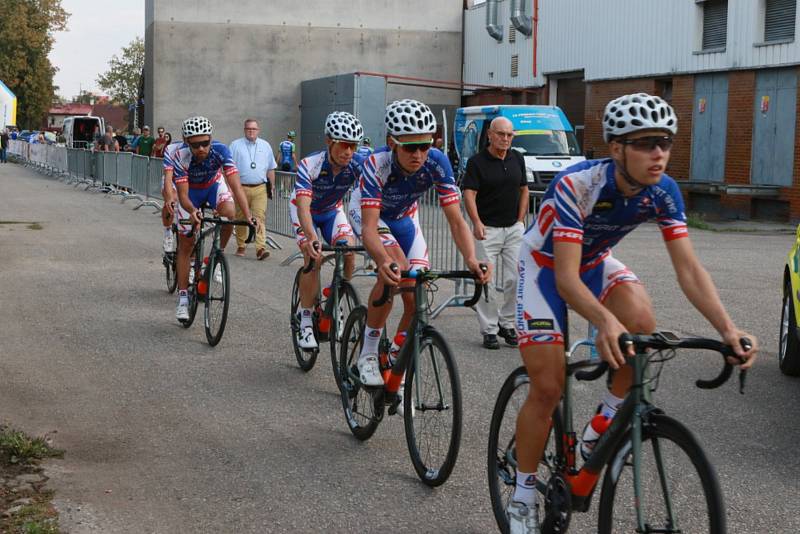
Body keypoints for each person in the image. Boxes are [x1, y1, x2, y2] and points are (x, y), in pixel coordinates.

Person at [507, 93, 759, 533]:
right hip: (546, 266)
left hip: (593, 262)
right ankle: (523, 493)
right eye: (644, 143)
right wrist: (604, 321)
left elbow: (689, 269)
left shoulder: (663, 190)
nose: (658, 153)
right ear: (616, 148)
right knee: (547, 388)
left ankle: (597, 429)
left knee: (643, 328)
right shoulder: (577, 185)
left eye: (665, 142)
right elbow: (566, 278)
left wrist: (728, 329)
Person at [356, 99, 491, 387]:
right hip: (373, 217)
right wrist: (381, 261)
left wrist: (470, 258)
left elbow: (456, 220)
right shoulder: (375, 164)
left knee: (417, 291)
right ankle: (367, 353)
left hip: (405, 218)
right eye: (409, 147)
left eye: (425, 146)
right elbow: (368, 228)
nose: (418, 154)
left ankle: (396, 353)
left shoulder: (437, 162)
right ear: (392, 142)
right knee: (395, 269)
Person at [163, 116, 260, 322]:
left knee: (229, 214)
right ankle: (182, 299)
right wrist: (191, 211)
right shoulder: (180, 156)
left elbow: (235, 185)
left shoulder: (221, 151)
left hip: (213, 186)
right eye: (195, 144)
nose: (201, 149)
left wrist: (249, 216)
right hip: (190, 193)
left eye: (205, 143)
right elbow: (182, 196)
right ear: (186, 142)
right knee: (186, 244)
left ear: (211, 139)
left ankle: (216, 257)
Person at [291, 112, 365, 350]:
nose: (348, 152)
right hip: (305, 211)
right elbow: (303, 207)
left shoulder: (356, 164)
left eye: (353, 146)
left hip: (332, 210)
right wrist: (312, 238)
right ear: (329, 141)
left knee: (350, 252)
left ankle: (335, 299)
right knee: (314, 256)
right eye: (343, 145)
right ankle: (305, 319)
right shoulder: (309, 164)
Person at [463, 117, 528, 349]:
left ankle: (507, 323)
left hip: (513, 229)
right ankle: (489, 329)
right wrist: (476, 221)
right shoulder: (477, 162)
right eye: (501, 134)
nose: (505, 139)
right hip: (487, 230)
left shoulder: (517, 158)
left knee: (517, 278)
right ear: (490, 135)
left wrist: (520, 220)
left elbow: (524, 189)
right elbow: (469, 194)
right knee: (485, 280)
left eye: (510, 135)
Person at [229, 118, 277, 260]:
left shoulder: (266, 145)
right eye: (248, 128)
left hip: (260, 188)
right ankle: (241, 245)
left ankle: (260, 248)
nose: (251, 131)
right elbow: (228, 168)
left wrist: (272, 186)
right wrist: (230, 188)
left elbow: (271, 168)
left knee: (259, 217)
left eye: (254, 129)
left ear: (258, 130)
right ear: (244, 130)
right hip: (240, 188)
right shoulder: (235, 145)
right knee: (241, 217)